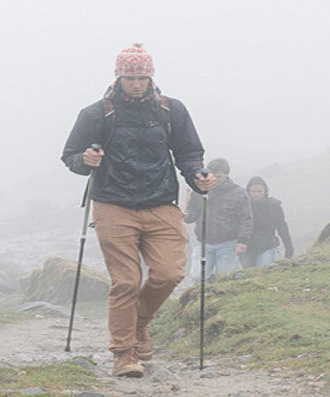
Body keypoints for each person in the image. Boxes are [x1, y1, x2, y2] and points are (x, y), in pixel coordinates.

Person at [61, 43, 216, 378]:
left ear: (151, 76)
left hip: (161, 203)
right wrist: (85, 160)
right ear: (118, 77)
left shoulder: (171, 110)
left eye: (141, 76)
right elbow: (71, 155)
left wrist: (197, 176)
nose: (136, 83)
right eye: (129, 77)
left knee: (170, 273)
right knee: (127, 281)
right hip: (113, 205)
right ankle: (123, 353)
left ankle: (138, 324)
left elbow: (189, 153)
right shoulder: (96, 114)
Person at [183, 158, 253, 281]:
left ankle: (223, 299)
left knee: (224, 278)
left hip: (228, 244)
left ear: (227, 175)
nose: (214, 179)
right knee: (197, 276)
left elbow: (246, 219)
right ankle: (199, 299)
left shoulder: (238, 193)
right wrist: (187, 215)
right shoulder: (198, 191)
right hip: (203, 243)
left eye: (219, 176)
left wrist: (243, 241)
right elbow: (193, 213)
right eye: (212, 175)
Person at [239, 176, 293, 268]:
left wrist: (289, 247)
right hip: (246, 247)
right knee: (246, 274)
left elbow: (282, 227)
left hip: (267, 246)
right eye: (253, 191)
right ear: (248, 191)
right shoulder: (241, 206)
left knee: (263, 272)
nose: (256, 194)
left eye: (259, 191)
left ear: (265, 191)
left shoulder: (274, 206)